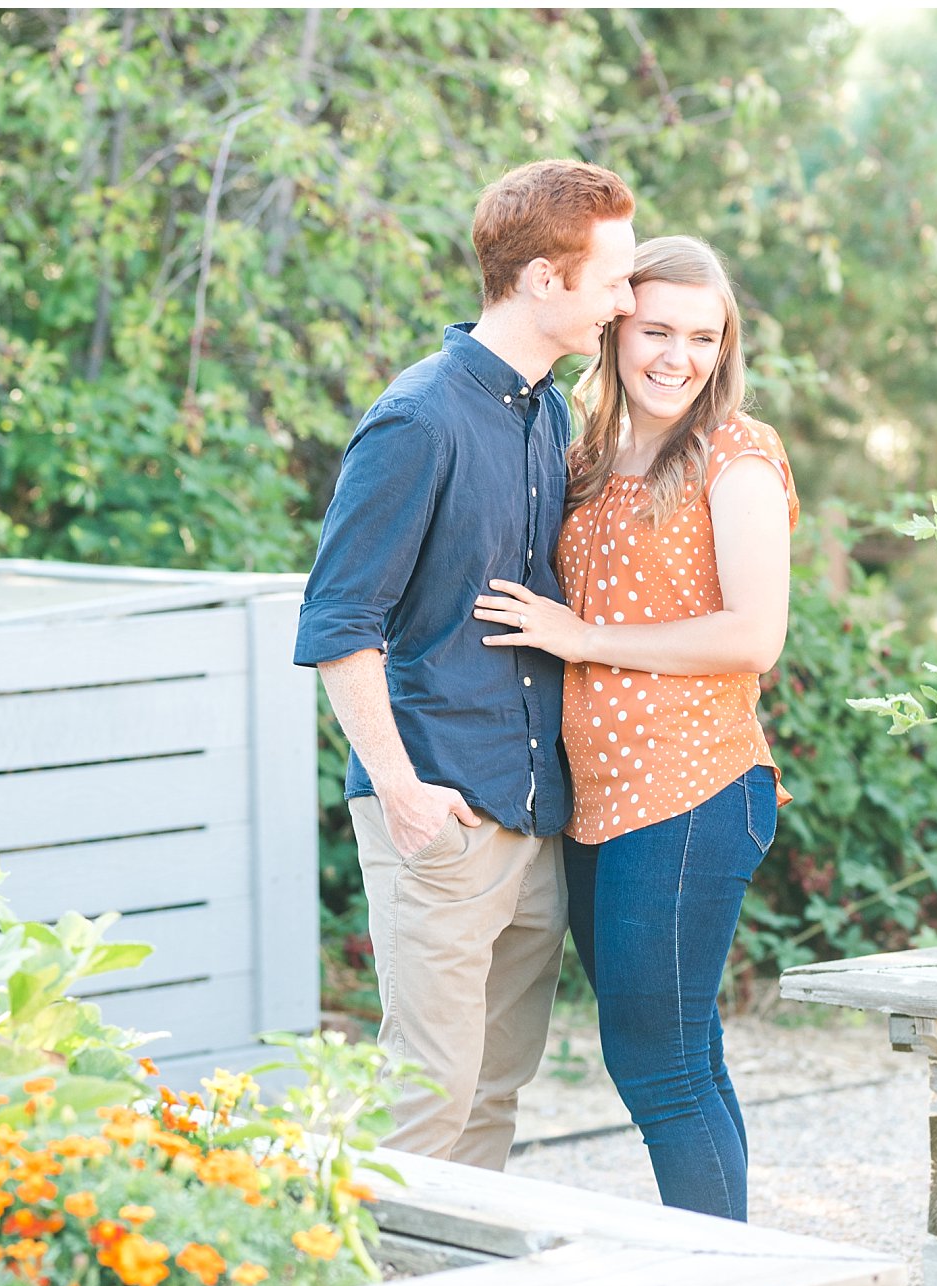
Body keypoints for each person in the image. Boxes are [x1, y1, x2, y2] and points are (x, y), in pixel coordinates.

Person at [294, 160, 638, 1170]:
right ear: (542, 280)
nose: (624, 301)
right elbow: (338, 620)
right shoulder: (417, 419)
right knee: (424, 1098)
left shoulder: (546, 413)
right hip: (438, 811)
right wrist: (400, 791)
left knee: (493, 1097)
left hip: (530, 815)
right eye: (611, 279)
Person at [473, 235, 797, 1218]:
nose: (677, 357)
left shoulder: (732, 454)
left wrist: (582, 636)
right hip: (597, 803)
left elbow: (753, 635)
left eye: (701, 337)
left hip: (691, 790)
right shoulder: (578, 450)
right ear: (614, 326)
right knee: (683, 1055)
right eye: (656, 328)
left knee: (654, 1066)